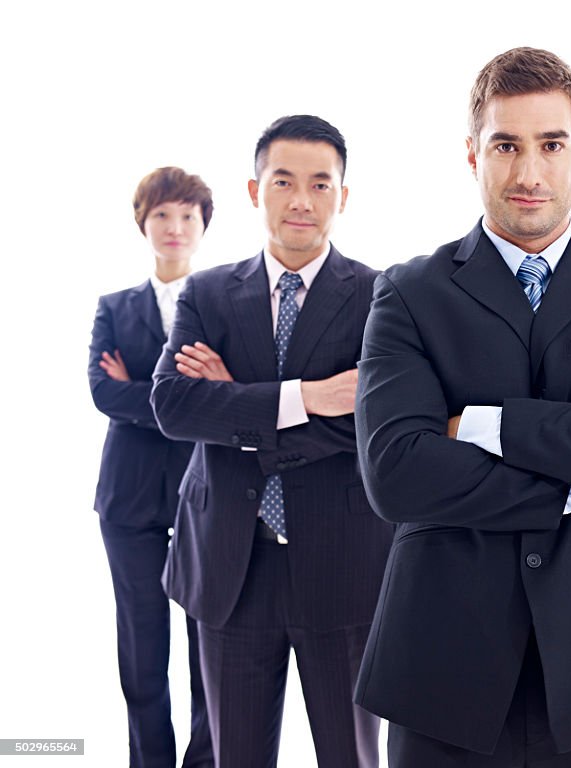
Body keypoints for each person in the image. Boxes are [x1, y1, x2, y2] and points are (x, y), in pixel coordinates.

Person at [352, 47, 571, 767]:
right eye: (505, 146)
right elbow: (396, 474)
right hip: (444, 665)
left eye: (550, 145)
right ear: (472, 153)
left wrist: (484, 426)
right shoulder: (409, 292)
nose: (528, 173)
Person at [150, 115, 393, 768]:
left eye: (321, 184)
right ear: (255, 191)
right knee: (235, 756)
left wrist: (237, 401)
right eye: (283, 181)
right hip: (232, 565)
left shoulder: (380, 297)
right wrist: (306, 397)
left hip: (344, 567)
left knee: (354, 756)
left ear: (344, 196)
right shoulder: (205, 292)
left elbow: (375, 422)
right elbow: (173, 405)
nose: (301, 201)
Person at [88, 166, 214, 767]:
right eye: (163, 214)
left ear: (202, 226)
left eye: (187, 215)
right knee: (141, 644)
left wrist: (142, 391)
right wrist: (176, 398)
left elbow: (225, 396)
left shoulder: (220, 302)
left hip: (203, 494)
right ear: (144, 222)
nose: (175, 227)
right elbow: (101, 393)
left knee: (208, 642)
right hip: (128, 499)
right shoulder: (114, 307)